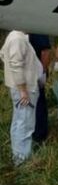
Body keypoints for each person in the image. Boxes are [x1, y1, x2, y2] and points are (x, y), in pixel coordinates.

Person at [0, 31, 43, 165]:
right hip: (25, 89)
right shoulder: (17, 38)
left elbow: (3, 54)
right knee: (24, 124)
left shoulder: (16, 36)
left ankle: (18, 155)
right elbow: (15, 64)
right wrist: (22, 89)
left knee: (20, 121)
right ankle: (22, 160)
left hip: (23, 87)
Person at [28, 34, 51, 143]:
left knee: (35, 105)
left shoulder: (32, 32)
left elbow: (45, 52)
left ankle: (37, 135)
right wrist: (43, 72)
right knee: (38, 105)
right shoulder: (38, 31)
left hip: (31, 75)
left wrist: (42, 72)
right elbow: (45, 52)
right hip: (34, 76)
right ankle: (39, 135)